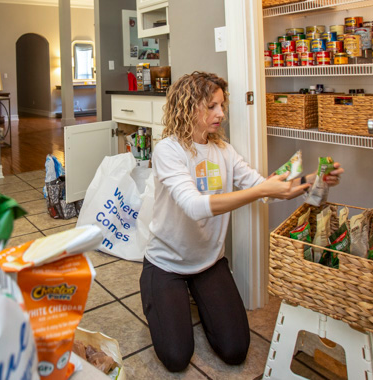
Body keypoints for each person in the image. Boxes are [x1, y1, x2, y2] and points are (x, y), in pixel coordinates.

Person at [139, 71, 344, 371]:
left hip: (208, 262)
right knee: (176, 357)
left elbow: (269, 190)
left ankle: (196, 295)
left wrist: (313, 179)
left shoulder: (224, 151)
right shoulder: (168, 150)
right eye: (211, 106)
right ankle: (161, 292)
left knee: (235, 350)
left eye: (221, 105)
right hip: (166, 264)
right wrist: (261, 189)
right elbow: (195, 206)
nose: (220, 113)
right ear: (187, 106)